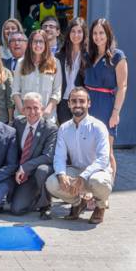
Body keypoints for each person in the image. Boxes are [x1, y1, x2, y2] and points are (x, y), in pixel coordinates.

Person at [45, 87, 112, 224]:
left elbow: (103, 159)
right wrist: (61, 174)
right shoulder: (64, 128)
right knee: (51, 183)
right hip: (76, 171)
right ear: (69, 104)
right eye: (74, 101)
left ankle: (100, 206)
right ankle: (77, 203)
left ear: (89, 103)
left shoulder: (98, 126)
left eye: (82, 101)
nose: (78, 104)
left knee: (99, 182)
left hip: (97, 172)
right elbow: (59, 156)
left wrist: (83, 176)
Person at [85, 18, 128, 176]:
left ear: (108, 34)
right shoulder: (89, 55)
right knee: (89, 151)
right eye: (95, 33)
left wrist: (116, 113)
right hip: (88, 105)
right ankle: (90, 187)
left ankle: (107, 187)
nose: (98, 36)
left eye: (101, 33)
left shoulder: (117, 56)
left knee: (107, 152)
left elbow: (122, 86)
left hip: (106, 106)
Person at [9, 92, 58, 218]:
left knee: (42, 170)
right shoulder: (18, 123)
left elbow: (48, 156)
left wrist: (25, 167)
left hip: (38, 171)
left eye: (36, 108)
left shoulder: (50, 128)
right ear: (23, 110)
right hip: (20, 172)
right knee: (16, 209)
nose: (32, 112)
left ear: (42, 108)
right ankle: (34, 195)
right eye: (28, 108)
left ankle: (45, 204)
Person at [12, 29, 62, 123]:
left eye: (41, 41)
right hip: (24, 118)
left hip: (47, 118)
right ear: (30, 44)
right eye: (35, 41)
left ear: (46, 44)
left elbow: (56, 92)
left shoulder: (55, 63)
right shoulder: (21, 63)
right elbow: (15, 91)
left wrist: (46, 111)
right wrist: (23, 111)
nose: (38, 45)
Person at [56, 18, 88, 124]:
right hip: (63, 102)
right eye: (73, 31)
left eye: (79, 31)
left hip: (80, 102)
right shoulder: (60, 55)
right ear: (68, 33)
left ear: (84, 34)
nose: (76, 35)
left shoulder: (88, 56)